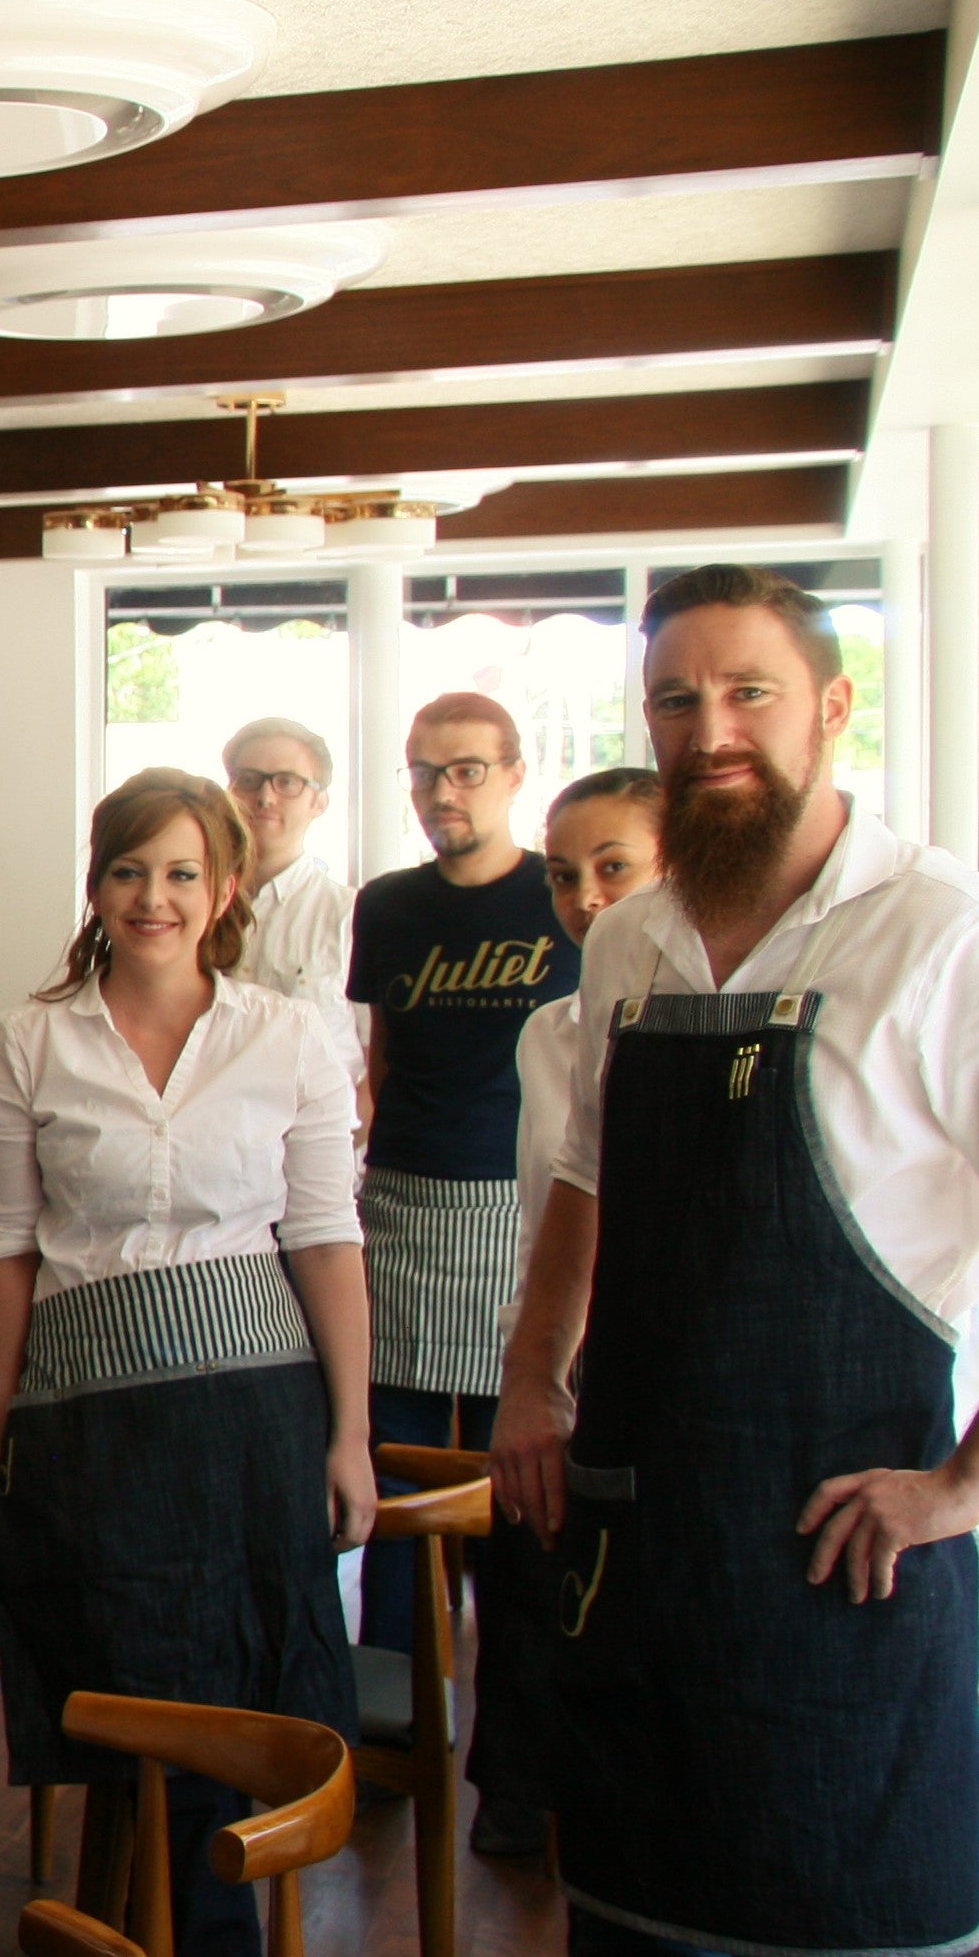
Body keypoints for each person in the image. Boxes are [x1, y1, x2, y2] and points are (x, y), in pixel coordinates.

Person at [414, 570, 979, 1957]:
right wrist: (530, 1377)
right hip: (641, 1517)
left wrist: (965, 1482)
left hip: (848, 1553)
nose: (707, 733)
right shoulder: (634, 941)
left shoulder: (943, 932)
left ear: (833, 709)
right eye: (675, 701)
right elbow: (583, 1178)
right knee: (637, 1922)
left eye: (746, 694)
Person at [0, 766, 370, 1957]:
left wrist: (350, 1436)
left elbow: (325, 1238)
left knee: (226, 1737)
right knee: (133, 1736)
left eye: (182, 872)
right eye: (129, 871)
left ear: (226, 890)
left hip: (253, 1424)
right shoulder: (28, 1043)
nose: (154, 897)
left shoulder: (288, 1036)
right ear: (95, 887)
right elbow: (9, 1255)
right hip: (90, 1431)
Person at [469, 767, 667, 1871]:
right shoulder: (547, 1032)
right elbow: (543, 1211)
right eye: (562, 875)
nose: (585, 898)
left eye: (613, 868)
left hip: (661, 1361)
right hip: (553, 1355)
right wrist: (527, 1365)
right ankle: (516, 1792)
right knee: (527, 1586)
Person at [346, 692, 574, 1635]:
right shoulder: (386, 904)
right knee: (392, 1464)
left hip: (523, 1206)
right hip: (401, 1202)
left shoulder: (560, 894)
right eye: (425, 772)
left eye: (467, 769)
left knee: (512, 1465)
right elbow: (383, 1052)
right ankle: (392, 1684)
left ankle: (519, 1682)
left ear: (515, 775)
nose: (443, 791)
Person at [222, 716, 352, 1023]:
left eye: (287, 782)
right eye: (248, 780)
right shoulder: (193, 907)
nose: (265, 797)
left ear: (319, 802)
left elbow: (375, 1041)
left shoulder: (351, 916)